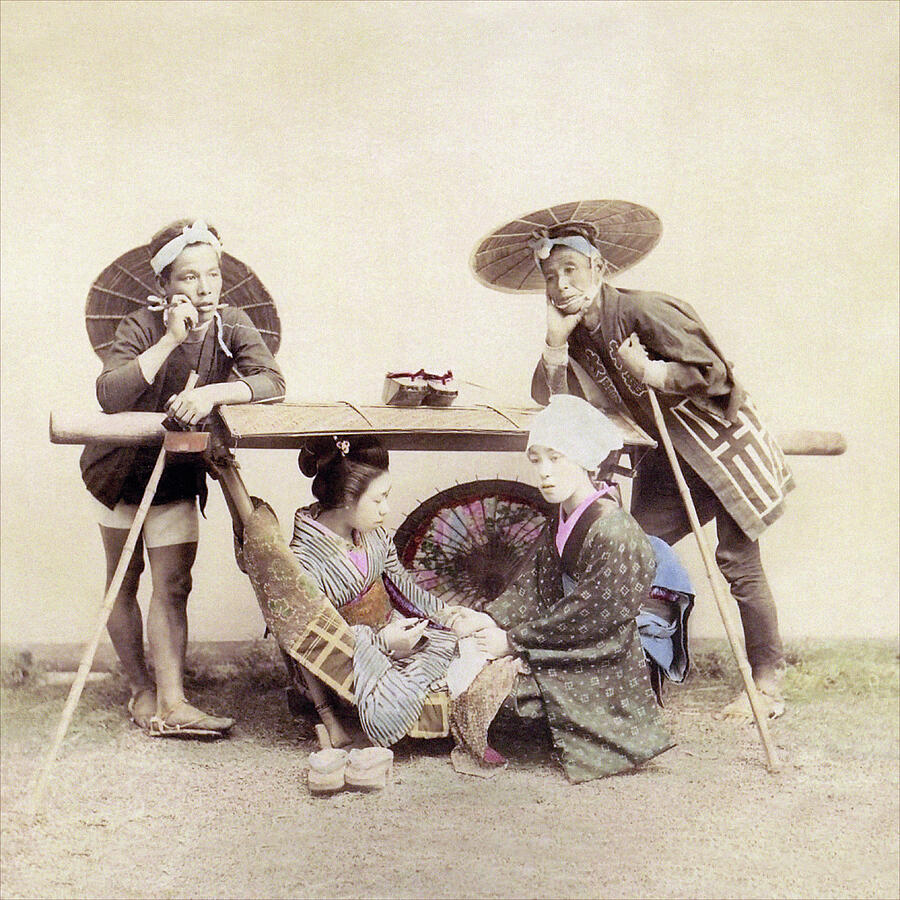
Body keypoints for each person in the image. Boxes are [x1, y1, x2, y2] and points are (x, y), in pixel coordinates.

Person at [528, 222, 792, 718]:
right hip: (669, 457)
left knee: (738, 562)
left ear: (599, 269)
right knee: (633, 548)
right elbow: (557, 406)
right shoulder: (575, 332)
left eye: (571, 270)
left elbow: (716, 374)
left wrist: (652, 373)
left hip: (718, 444)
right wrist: (554, 344)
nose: (561, 285)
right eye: (550, 275)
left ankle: (767, 682)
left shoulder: (641, 310)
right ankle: (635, 667)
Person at [80, 219, 285, 736]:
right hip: (119, 471)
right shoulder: (140, 326)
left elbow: (272, 381)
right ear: (164, 286)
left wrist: (213, 394)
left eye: (212, 275)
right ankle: (140, 690)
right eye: (189, 278)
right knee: (124, 579)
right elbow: (109, 395)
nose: (204, 288)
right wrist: (171, 340)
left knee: (174, 584)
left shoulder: (231, 324)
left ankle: (172, 702)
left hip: (176, 473)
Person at [479, 394, 673, 782]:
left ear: (585, 458)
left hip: (605, 651)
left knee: (510, 702)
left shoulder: (615, 531)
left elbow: (593, 614)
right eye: (537, 460)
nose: (544, 472)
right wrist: (490, 620)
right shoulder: (563, 517)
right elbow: (534, 585)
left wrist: (513, 642)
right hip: (569, 636)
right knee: (482, 675)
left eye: (556, 457)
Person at [290, 435, 493, 749]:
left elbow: (402, 589)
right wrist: (383, 642)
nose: (386, 509)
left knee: (467, 645)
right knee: (428, 682)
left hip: (390, 632)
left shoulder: (372, 535)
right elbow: (318, 638)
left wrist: (446, 615)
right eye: (378, 499)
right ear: (346, 497)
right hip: (348, 658)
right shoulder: (305, 559)